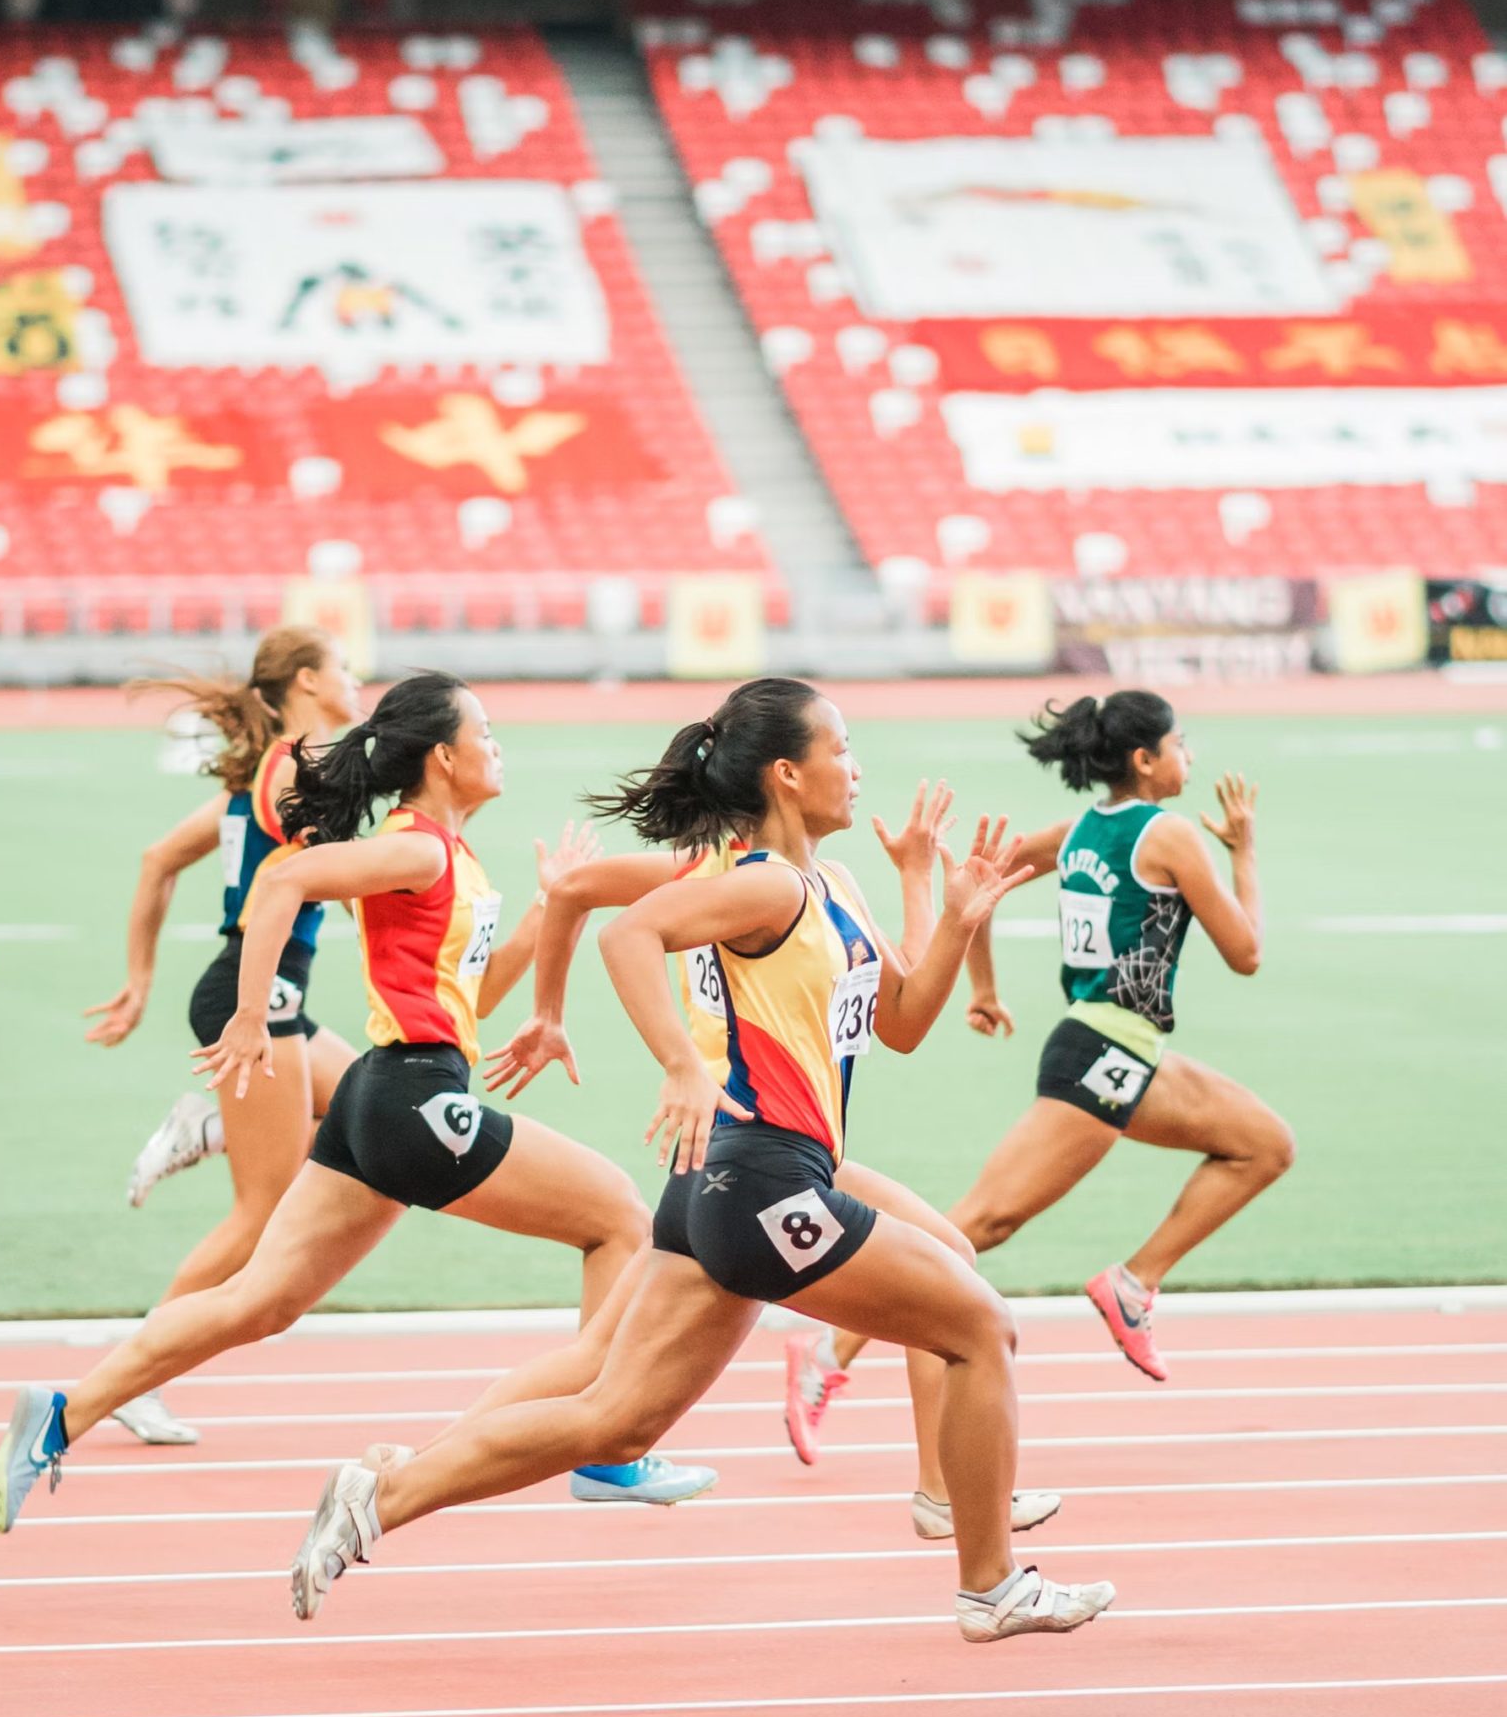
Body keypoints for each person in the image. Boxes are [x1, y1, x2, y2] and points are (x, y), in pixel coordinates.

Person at [282, 675, 1114, 1643]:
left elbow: (904, 1022)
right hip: (759, 1174)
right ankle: (990, 1581)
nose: (858, 766)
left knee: (615, 1421)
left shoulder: (831, 886)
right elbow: (630, 933)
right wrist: (679, 1063)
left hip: (744, 1181)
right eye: (841, 749)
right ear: (789, 774)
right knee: (976, 1325)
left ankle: (380, 1494)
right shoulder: (760, 881)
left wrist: (944, 902)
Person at [0, 673, 711, 1530]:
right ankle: (606, 1451)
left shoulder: (450, 857)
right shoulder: (418, 848)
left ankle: (60, 1415)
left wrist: (544, 921)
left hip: (385, 1089)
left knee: (261, 1301)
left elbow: (466, 1004)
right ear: (445, 756)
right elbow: (282, 885)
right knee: (619, 1220)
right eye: (487, 729)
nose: (498, 742)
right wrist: (252, 1016)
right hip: (411, 1099)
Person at [484, 782, 1059, 1539]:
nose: (852, 772)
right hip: (740, 1134)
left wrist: (917, 880)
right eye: (839, 753)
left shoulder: (811, 882)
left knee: (948, 1258)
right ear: (773, 779)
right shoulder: (717, 880)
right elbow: (577, 894)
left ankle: (945, 1494)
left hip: (790, 1138)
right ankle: (417, 1469)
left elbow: (898, 999)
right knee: (610, 1391)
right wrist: (553, 1016)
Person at [787, 689, 1293, 1423]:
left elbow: (981, 877)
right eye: (1181, 745)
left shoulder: (1077, 830)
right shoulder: (1171, 835)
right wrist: (1243, 851)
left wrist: (984, 988)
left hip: (1117, 1047)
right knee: (975, 1227)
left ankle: (1134, 1282)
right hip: (1104, 1054)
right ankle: (827, 1356)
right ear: (1145, 760)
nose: (1190, 758)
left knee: (1263, 1144)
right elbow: (1245, 951)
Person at [81, 627, 363, 1443]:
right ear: (309, 680)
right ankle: (138, 1370)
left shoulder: (261, 775)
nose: (355, 678)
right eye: (343, 667)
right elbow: (343, 882)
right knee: (261, 1211)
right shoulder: (294, 779)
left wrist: (140, 980)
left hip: (265, 999)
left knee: (366, 1113)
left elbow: (157, 857)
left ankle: (209, 1124)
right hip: (254, 1003)